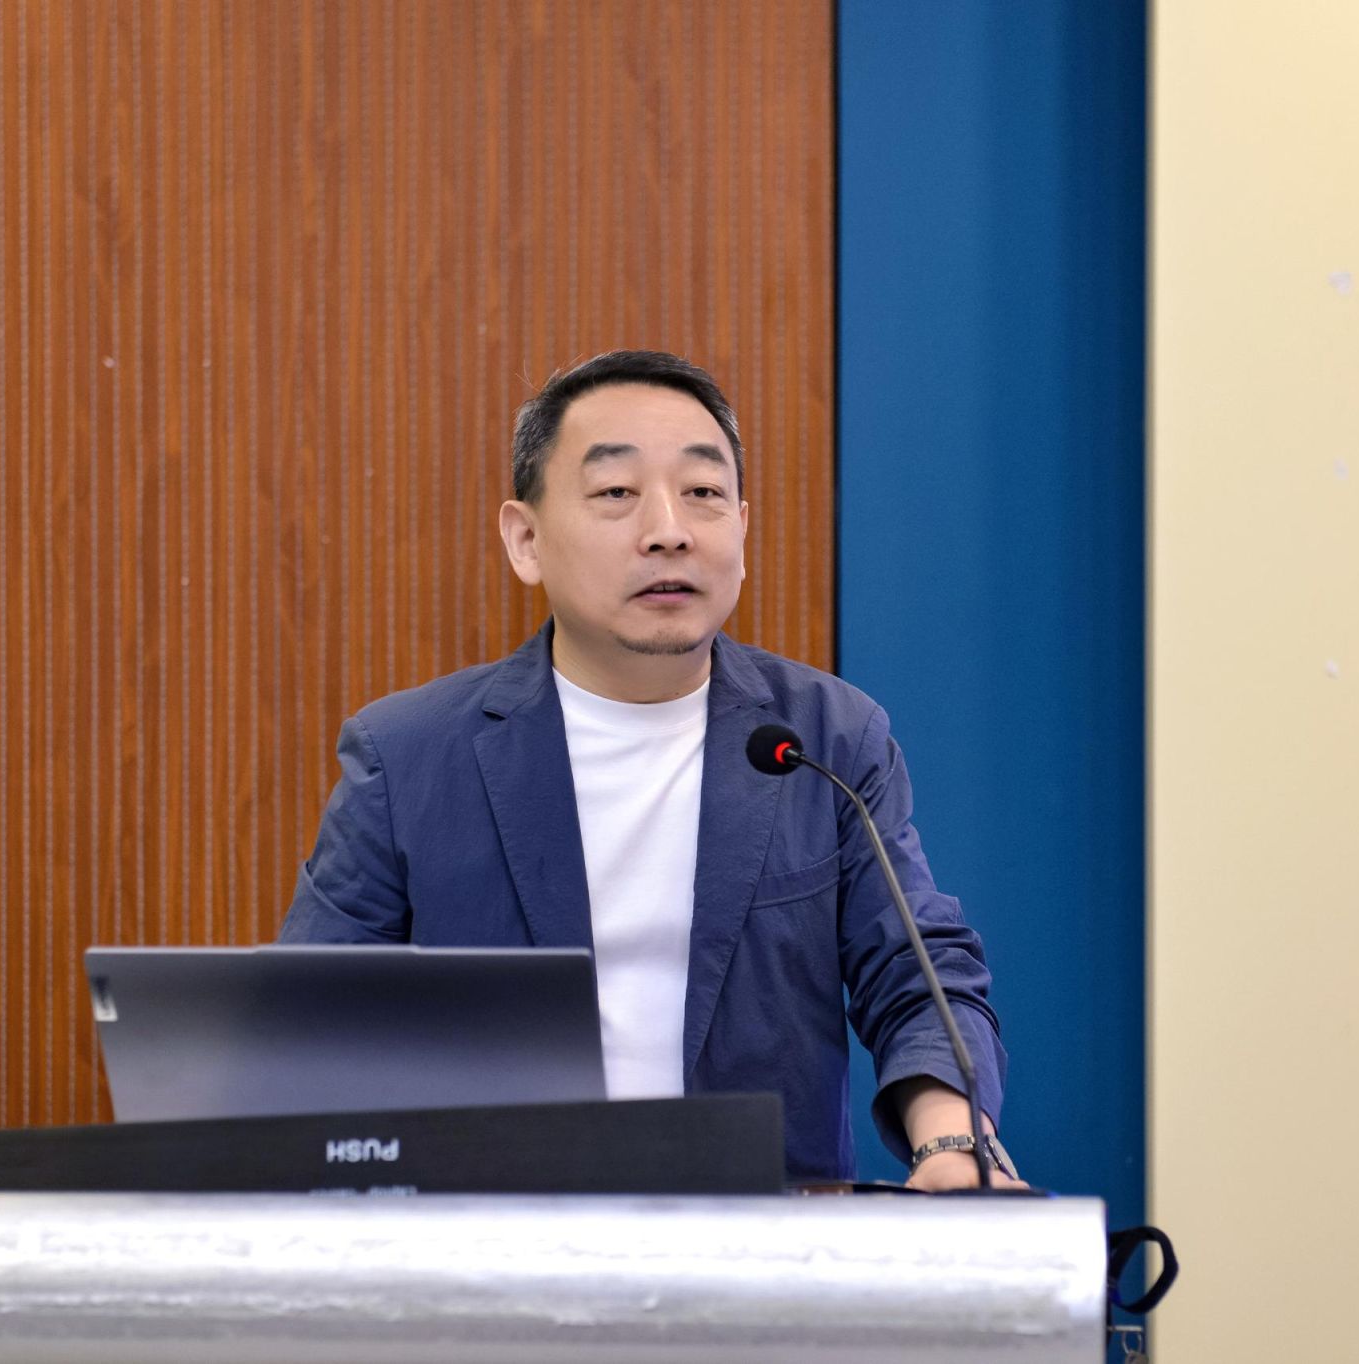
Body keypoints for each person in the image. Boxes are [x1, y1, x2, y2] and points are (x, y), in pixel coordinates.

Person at [278, 350, 1020, 1190]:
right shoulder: (409, 757)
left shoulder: (825, 741)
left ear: (742, 530)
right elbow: (309, 1032)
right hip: (490, 1234)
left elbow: (917, 973)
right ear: (526, 540)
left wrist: (952, 1146)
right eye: (616, 493)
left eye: (703, 492)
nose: (670, 530)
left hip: (762, 1237)